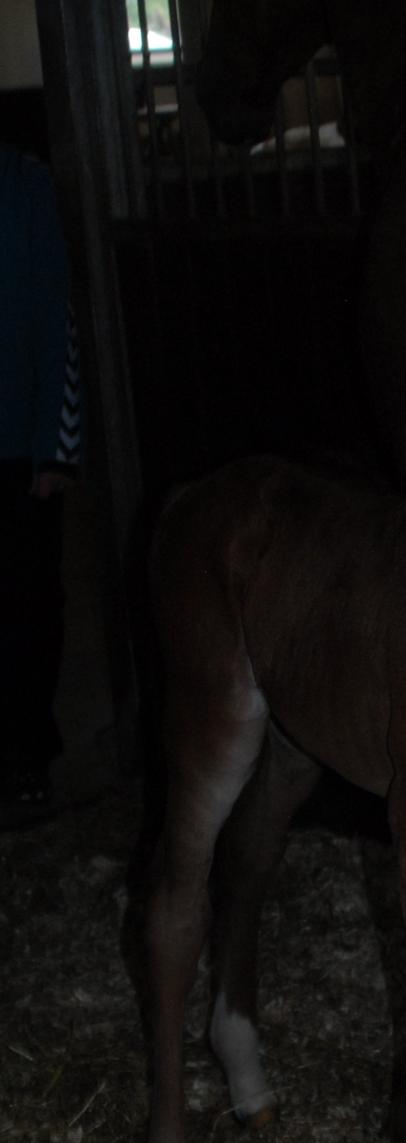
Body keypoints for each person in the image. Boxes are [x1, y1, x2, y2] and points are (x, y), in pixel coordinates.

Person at [0, 138, 81, 824]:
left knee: (28, 602)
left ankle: (27, 754)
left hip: (18, 445)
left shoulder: (26, 185)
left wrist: (55, 448)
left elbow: (56, 313)